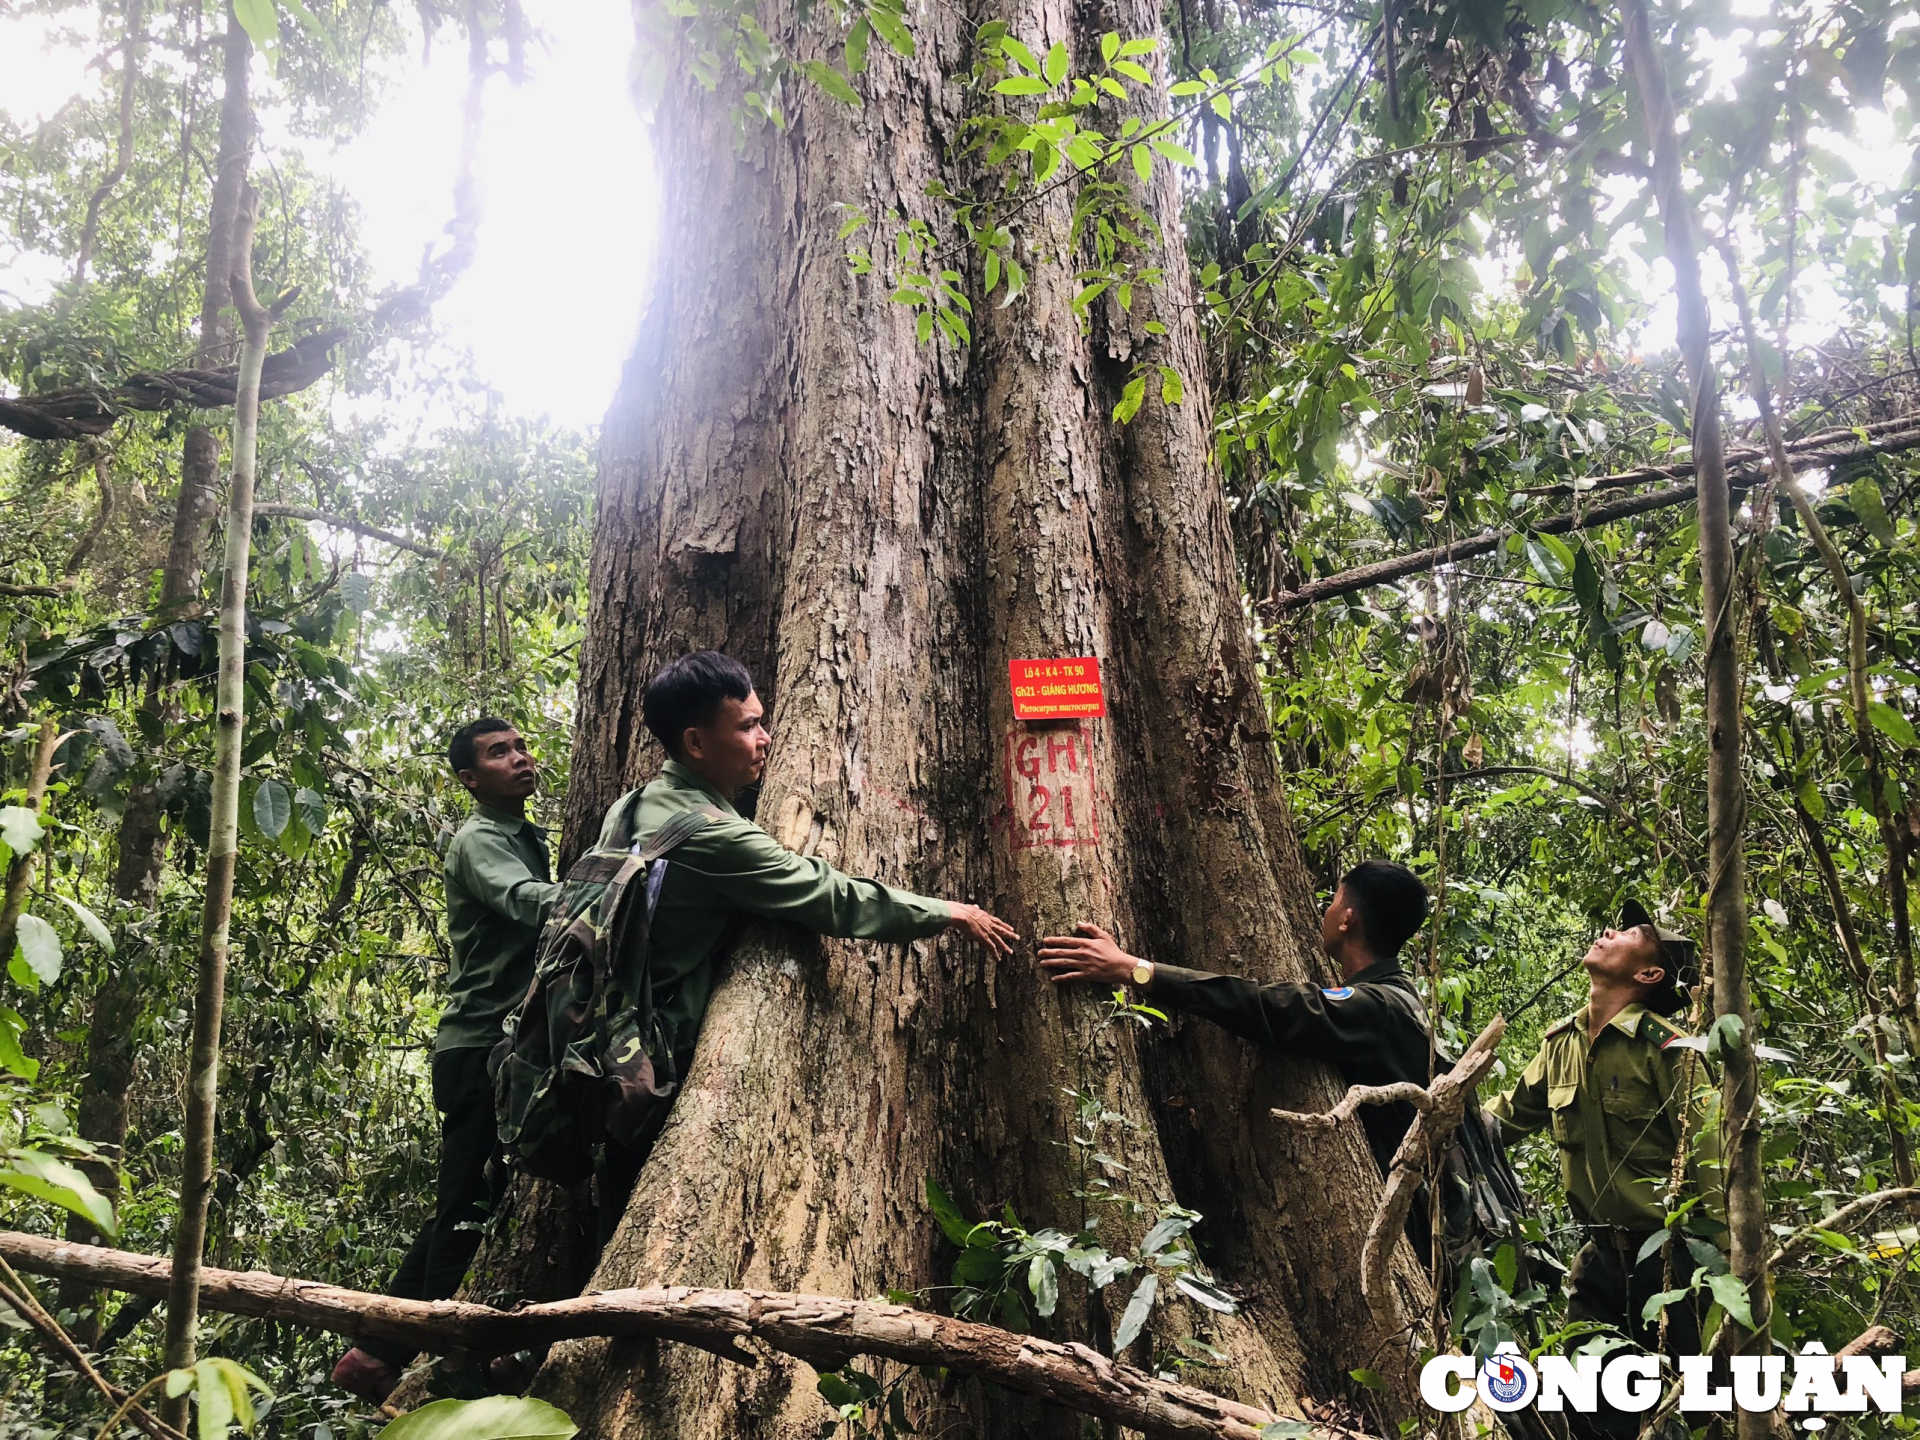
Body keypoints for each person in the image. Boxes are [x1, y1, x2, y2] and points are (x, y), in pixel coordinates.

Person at [589, 651, 1018, 1228]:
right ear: (695, 743)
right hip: (654, 1061)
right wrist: (948, 911)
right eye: (746, 727)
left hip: (603, 1043)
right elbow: (830, 896)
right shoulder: (714, 836)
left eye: (762, 720)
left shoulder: (633, 804)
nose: (766, 738)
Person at [332, 717, 562, 1405]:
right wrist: (622, 888)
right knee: (468, 1210)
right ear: (469, 779)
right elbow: (529, 906)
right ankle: (452, 1352)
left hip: (504, 1043)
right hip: (479, 1048)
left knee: (465, 1201)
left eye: (520, 748)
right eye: (499, 754)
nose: (519, 760)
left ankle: (373, 1352)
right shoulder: (481, 839)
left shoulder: (522, 837)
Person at [1036, 860, 1435, 1180]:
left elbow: (1262, 1005)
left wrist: (1132, 969)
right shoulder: (1402, 999)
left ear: (1347, 919)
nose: (1325, 911)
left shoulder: (1377, 1007)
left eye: (1333, 900)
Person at [1487, 900, 1720, 1440]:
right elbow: (1503, 1120)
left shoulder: (1667, 1049)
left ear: (1648, 974)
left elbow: (1711, 1155)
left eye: (1631, 932)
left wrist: (1729, 1265)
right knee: (1591, 1411)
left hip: (1673, 1262)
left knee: (1688, 1412)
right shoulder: (1561, 1043)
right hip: (1598, 1263)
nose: (1609, 929)